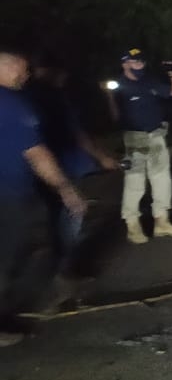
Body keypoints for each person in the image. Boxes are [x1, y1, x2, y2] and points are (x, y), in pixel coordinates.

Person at [0, 49, 87, 345]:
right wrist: (65, 188)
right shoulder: (12, 105)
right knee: (14, 252)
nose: (26, 76)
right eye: (22, 71)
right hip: (9, 193)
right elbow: (37, 153)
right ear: (6, 68)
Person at [25, 56, 116, 293]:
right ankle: (64, 269)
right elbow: (77, 134)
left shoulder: (29, 97)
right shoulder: (52, 98)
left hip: (45, 169)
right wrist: (101, 156)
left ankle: (60, 264)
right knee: (72, 213)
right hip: (59, 167)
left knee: (58, 217)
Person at [110, 47, 172, 243]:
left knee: (162, 180)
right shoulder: (119, 86)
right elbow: (115, 117)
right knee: (135, 183)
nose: (139, 65)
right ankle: (133, 226)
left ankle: (162, 222)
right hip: (135, 139)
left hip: (156, 135)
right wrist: (108, 97)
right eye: (135, 62)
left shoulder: (149, 81)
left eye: (141, 62)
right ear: (125, 63)